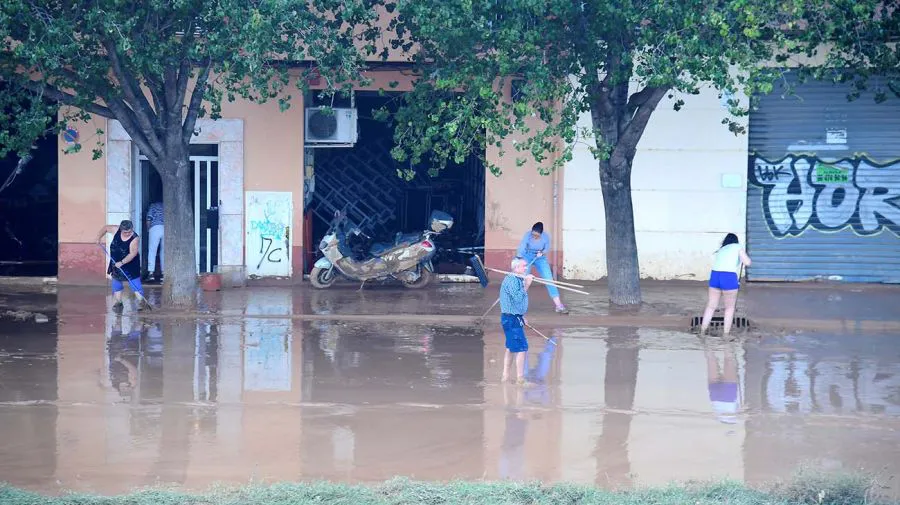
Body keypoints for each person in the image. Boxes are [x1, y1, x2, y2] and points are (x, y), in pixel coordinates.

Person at [699, 233, 752, 337]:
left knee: (711, 306)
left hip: (715, 275)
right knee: (729, 308)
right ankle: (726, 335)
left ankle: (702, 331)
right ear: (736, 241)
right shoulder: (737, 247)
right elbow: (747, 262)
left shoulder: (721, 250)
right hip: (728, 277)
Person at [516, 222, 568, 314]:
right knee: (523, 279)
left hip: (540, 257)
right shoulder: (527, 235)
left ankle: (559, 305)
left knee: (549, 279)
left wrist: (542, 252)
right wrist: (520, 260)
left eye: (537, 236)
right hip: (527, 256)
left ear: (541, 233)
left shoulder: (545, 237)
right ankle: (518, 305)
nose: (534, 237)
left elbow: (547, 248)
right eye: (533, 235)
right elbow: (522, 247)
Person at [96, 220, 143, 314]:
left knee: (135, 283)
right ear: (121, 230)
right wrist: (98, 238)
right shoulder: (115, 230)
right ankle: (119, 302)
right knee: (116, 283)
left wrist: (122, 262)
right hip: (115, 261)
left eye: (130, 232)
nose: (128, 234)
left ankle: (141, 303)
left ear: (132, 229)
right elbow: (105, 228)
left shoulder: (135, 238)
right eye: (125, 232)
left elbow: (132, 254)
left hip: (130, 263)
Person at [500, 257, 533, 383]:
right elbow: (518, 298)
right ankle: (520, 379)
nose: (526, 268)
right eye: (524, 266)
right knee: (521, 348)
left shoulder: (518, 279)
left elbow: (515, 303)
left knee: (510, 347)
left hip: (514, 317)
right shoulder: (512, 280)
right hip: (510, 319)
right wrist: (527, 284)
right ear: (516, 268)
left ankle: (505, 376)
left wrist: (522, 316)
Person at [145, 200, 164, 282]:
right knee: (164, 252)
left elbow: (149, 218)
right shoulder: (167, 205)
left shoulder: (153, 206)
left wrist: (148, 230)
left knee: (152, 251)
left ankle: (151, 273)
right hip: (166, 228)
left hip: (155, 228)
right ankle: (164, 273)